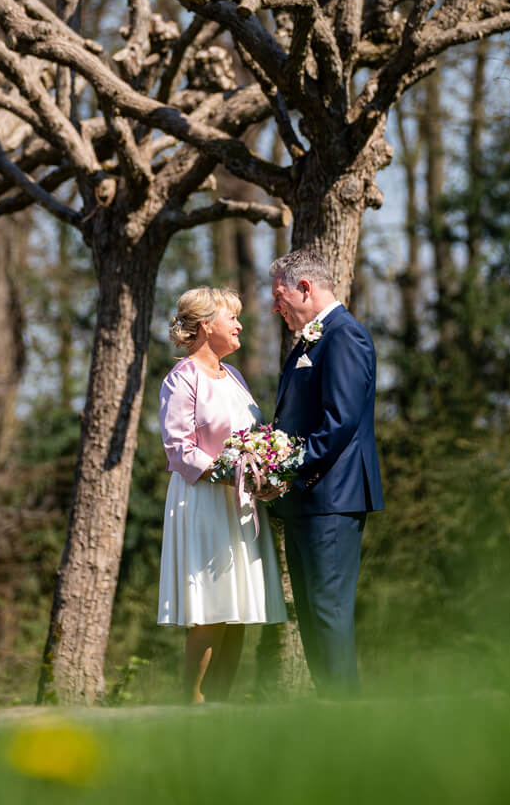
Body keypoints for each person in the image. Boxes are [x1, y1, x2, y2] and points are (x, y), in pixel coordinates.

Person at [157, 287, 287, 703]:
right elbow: (179, 448)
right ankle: (191, 702)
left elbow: (251, 436)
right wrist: (227, 472)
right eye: (232, 317)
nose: (239, 325)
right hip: (205, 500)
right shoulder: (182, 377)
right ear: (207, 325)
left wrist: (266, 470)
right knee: (212, 607)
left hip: (242, 503)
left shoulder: (234, 376)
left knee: (238, 608)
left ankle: (220, 704)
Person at [269, 249, 383, 695]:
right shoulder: (309, 340)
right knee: (313, 612)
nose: (275, 307)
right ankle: (331, 710)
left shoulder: (344, 337)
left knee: (328, 609)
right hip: (304, 499)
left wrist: (287, 469)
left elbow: (340, 422)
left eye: (280, 296)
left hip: (331, 497)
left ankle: (348, 715)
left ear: (305, 288)